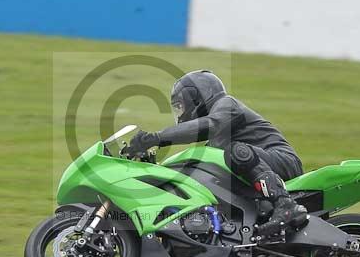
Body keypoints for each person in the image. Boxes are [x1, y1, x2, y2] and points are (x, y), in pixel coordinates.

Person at [128, 70, 307, 244]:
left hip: (282, 161)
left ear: (197, 98)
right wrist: (154, 168)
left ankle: (285, 204)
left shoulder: (227, 104)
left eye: (181, 106)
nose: (180, 113)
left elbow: (210, 125)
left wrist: (158, 138)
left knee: (235, 151)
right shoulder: (216, 141)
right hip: (255, 166)